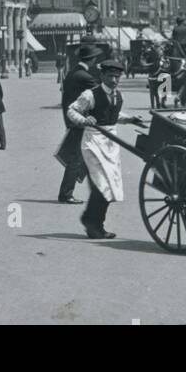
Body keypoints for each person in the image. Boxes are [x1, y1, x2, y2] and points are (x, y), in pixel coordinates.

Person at [66, 59, 143, 239]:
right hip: (93, 141)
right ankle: (93, 223)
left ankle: (93, 222)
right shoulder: (90, 95)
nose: (114, 80)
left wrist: (130, 118)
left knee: (110, 186)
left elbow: (113, 115)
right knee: (101, 184)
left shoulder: (118, 95)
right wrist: (84, 120)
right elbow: (72, 110)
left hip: (110, 142)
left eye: (117, 77)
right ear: (102, 76)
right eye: (110, 76)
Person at [56, 42, 101, 202]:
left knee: (78, 156)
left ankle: (67, 192)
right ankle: (66, 194)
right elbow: (99, 94)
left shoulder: (73, 72)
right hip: (79, 121)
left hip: (72, 120)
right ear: (91, 59)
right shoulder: (85, 76)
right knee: (76, 158)